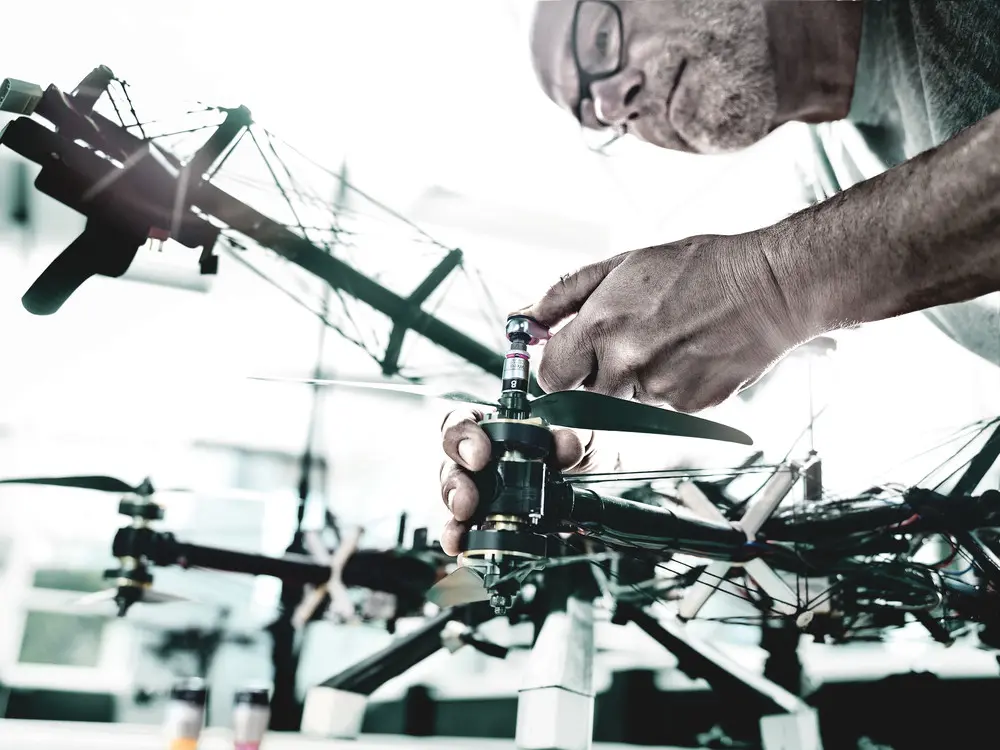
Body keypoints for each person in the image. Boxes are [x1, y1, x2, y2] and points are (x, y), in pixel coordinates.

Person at [438, 0, 1000, 556]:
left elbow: (785, 273)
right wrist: (590, 447)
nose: (610, 105)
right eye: (596, 118)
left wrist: (769, 285)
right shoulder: (829, 179)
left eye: (601, 40)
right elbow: (742, 388)